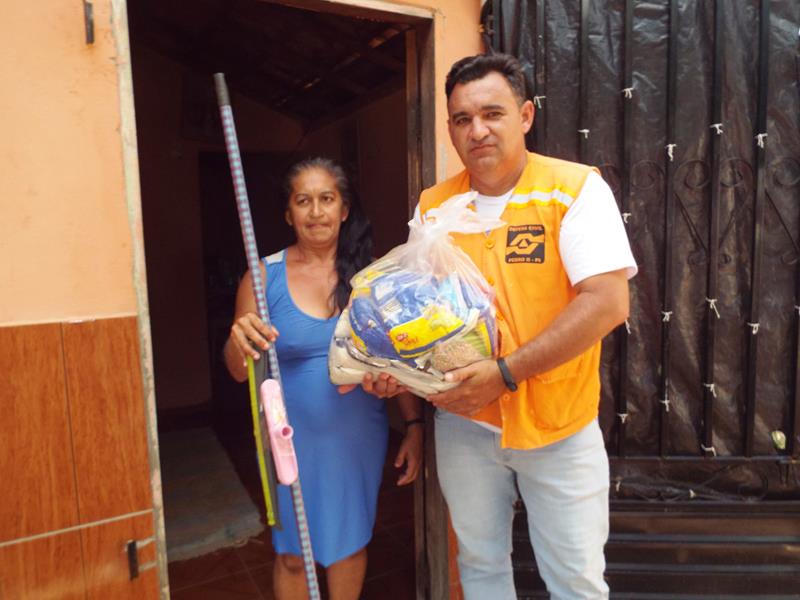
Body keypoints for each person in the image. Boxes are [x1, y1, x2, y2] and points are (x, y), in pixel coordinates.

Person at [355, 54, 637, 599]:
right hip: (465, 424)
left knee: (576, 581)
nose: (477, 130)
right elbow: (411, 310)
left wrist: (505, 372)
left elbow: (607, 304)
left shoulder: (573, 190)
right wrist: (394, 370)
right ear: (450, 129)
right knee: (480, 567)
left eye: (492, 113)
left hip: (558, 426)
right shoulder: (435, 206)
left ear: (526, 115)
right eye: (462, 119)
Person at [224, 157, 422, 600]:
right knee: (293, 553)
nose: (316, 212)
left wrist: (413, 426)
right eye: (304, 201)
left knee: (348, 547)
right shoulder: (261, 277)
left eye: (327, 199)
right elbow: (239, 372)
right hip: (289, 439)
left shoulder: (373, 276)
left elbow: (398, 363)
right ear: (288, 214)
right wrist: (238, 340)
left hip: (357, 438)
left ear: (344, 209)